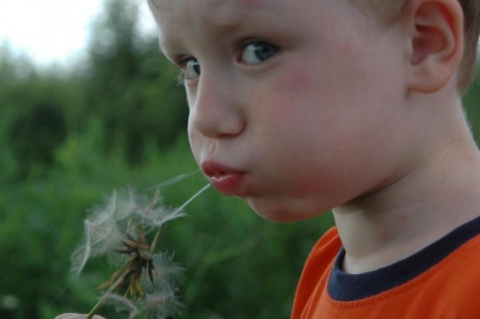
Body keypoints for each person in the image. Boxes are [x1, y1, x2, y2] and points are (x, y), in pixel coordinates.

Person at [59, 0, 480, 317]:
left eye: (258, 50)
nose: (204, 117)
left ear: (423, 43)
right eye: (191, 66)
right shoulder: (328, 261)